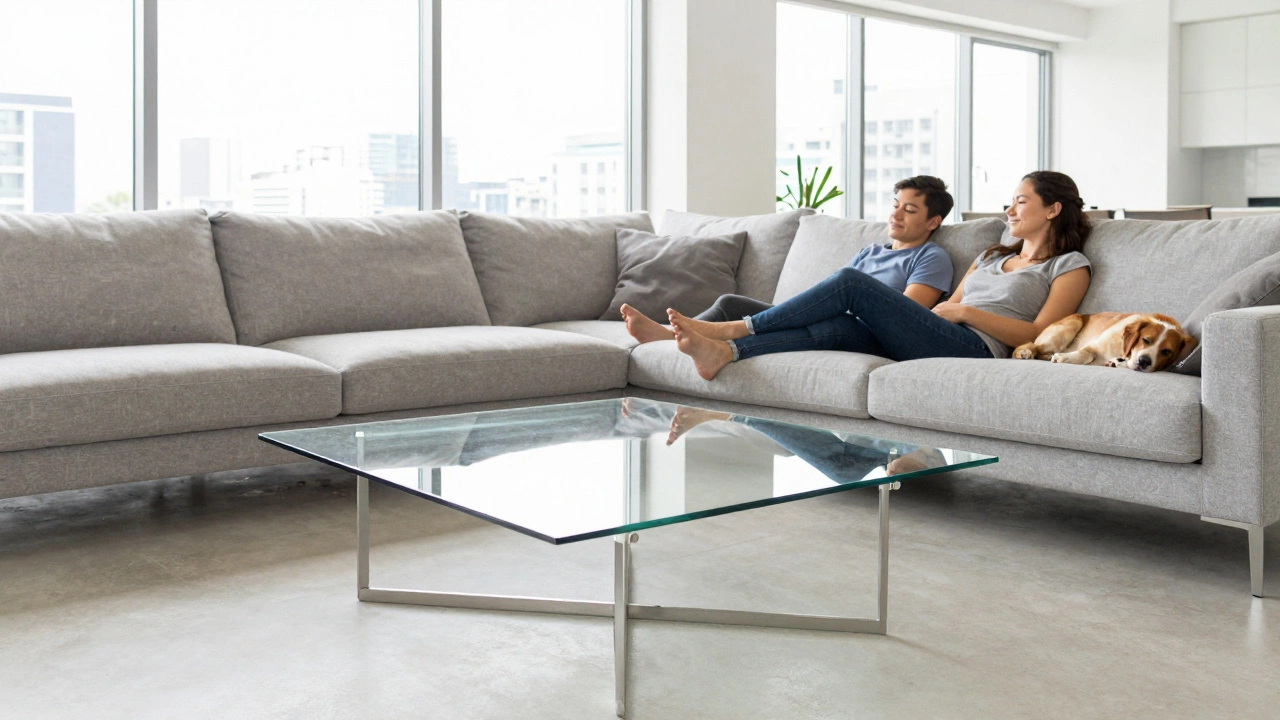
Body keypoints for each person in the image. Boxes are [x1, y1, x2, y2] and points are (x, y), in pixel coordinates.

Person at [665, 170, 1094, 380]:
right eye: (1010, 202)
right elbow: (948, 306)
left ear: (1053, 209)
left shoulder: (1068, 265)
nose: (1009, 210)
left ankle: (736, 329)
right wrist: (953, 311)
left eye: (1021, 202)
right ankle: (729, 352)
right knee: (835, 327)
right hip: (937, 333)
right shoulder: (989, 254)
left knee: (851, 284)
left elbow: (1038, 335)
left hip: (976, 347)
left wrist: (966, 315)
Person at [620, 175, 958, 345]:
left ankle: (715, 334)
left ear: (933, 222)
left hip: (866, 332)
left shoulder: (932, 257)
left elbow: (906, 316)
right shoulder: (871, 251)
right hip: (839, 315)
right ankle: (673, 335)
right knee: (729, 302)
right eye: (895, 204)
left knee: (827, 316)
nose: (896, 214)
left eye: (909, 209)